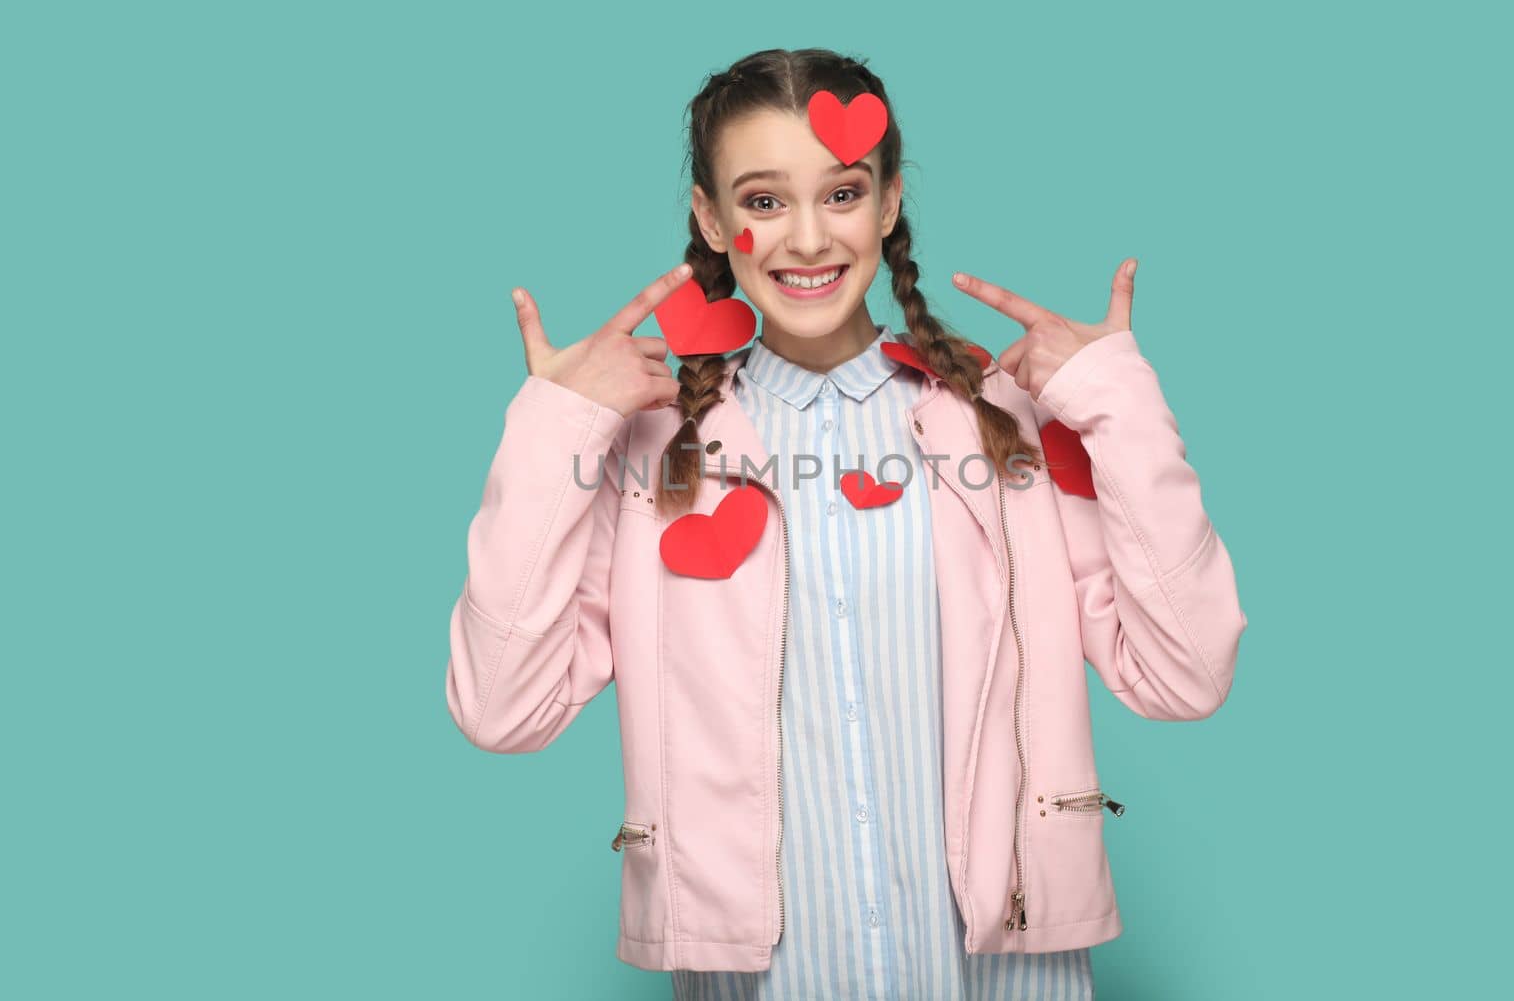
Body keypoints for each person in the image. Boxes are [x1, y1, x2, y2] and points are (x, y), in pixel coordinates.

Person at [445, 48, 1248, 1001]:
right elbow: (502, 708)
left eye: (841, 193)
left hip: (1005, 975)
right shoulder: (649, 454)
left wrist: (1120, 404)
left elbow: (1185, 674)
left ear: (888, 202)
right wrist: (554, 431)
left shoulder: (1004, 426)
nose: (808, 239)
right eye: (763, 200)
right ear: (711, 219)